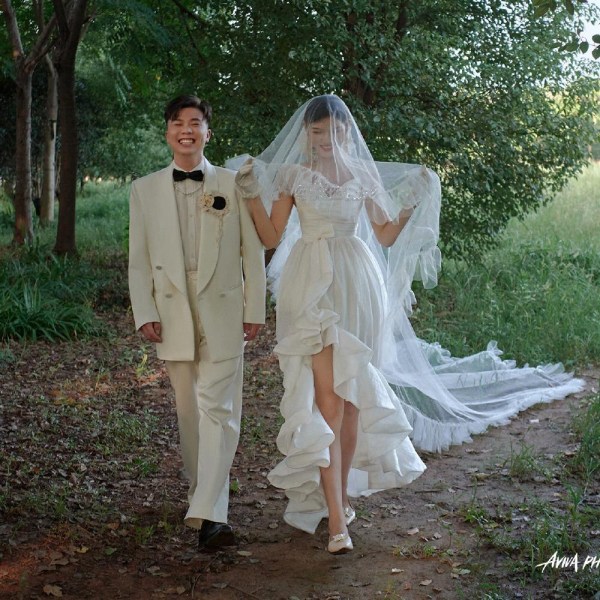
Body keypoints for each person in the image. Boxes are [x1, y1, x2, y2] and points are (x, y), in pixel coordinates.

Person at [232, 94, 585, 554]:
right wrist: (250, 194)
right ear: (306, 133)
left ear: (346, 133)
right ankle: (337, 522)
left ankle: (337, 500)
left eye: (333, 132)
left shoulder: (362, 174)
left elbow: (384, 234)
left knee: (353, 398)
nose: (324, 140)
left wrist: (412, 201)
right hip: (310, 284)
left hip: (358, 282)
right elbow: (272, 236)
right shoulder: (292, 174)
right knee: (327, 404)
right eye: (316, 132)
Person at [128, 94, 266, 551]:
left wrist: (254, 308)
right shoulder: (143, 189)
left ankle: (212, 516)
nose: (186, 129)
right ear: (167, 131)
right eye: (177, 122)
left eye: (195, 122)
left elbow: (252, 251)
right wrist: (144, 311)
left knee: (219, 411)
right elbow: (138, 259)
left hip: (224, 308)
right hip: (171, 311)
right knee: (190, 413)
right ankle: (200, 498)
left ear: (208, 131)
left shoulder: (233, 182)